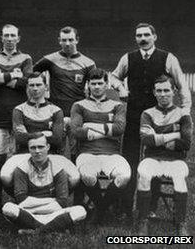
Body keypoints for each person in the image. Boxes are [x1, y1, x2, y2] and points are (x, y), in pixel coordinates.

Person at [109, 23, 192, 220]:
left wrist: (186, 111)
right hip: (134, 114)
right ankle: (125, 207)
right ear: (135, 38)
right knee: (129, 157)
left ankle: (151, 208)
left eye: (147, 35)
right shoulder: (128, 58)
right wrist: (120, 87)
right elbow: (113, 76)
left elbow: (181, 84)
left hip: (159, 115)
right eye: (139, 36)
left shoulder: (167, 58)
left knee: (154, 156)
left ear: (155, 37)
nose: (143, 39)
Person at [70, 68, 130, 224]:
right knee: (87, 176)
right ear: (88, 85)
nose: (96, 87)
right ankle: (102, 210)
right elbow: (76, 131)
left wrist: (89, 126)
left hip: (112, 154)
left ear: (107, 84)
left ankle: (99, 210)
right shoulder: (78, 105)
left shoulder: (117, 105)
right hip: (87, 153)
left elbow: (119, 129)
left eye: (100, 83)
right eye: (93, 83)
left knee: (124, 177)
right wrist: (107, 128)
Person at [136, 75, 192, 236]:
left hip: (176, 159)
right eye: (159, 91)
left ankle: (181, 222)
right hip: (152, 158)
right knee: (144, 174)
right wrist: (175, 135)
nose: (163, 94)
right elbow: (146, 139)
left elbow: (186, 143)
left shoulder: (183, 115)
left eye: (166, 90)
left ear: (173, 91)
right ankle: (143, 220)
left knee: (180, 177)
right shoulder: (147, 114)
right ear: (154, 92)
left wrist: (158, 138)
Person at [1, 134, 86, 235]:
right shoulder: (21, 168)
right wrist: (52, 202)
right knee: (8, 208)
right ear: (29, 150)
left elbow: (62, 202)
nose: (37, 151)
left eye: (41, 147)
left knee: (80, 211)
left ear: (48, 147)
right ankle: (54, 229)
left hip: (54, 214)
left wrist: (33, 204)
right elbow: (21, 200)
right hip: (29, 214)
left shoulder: (58, 168)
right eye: (33, 148)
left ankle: (35, 231)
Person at [32, 26, 95, 159]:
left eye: (70, 40)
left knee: (76, 152)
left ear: (77, 40)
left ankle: (76, 179)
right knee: (55, 151)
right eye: (64, 40)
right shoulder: (50, 59)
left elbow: (95, 89)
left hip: (77, 114)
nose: (67, 43)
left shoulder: (88, 63)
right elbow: (30, 73)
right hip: (55, 114)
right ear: (59, 41)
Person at [0, 24, 32, 209]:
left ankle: (19, 199)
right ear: (1, 37)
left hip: (21, 115)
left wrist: (2, 77)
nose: (9, 38)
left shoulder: (26, 58)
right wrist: (13, 75)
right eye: (6, 35)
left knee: (21, 158)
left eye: (13, 35)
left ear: (18, 38)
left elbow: (26, 83)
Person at [13, 72, 63, 154]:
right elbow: (20, 139)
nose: (35, 88)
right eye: (32, 85)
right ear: (27, 87)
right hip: (25, 153)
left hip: (50, 154)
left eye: (38, 85)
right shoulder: (19, 110)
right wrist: (45, 134)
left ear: (46, 87)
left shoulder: (56, 110)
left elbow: (57, 140)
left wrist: (27, 134)